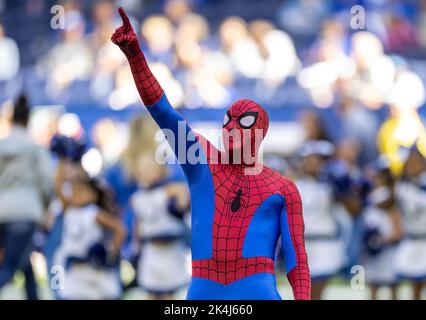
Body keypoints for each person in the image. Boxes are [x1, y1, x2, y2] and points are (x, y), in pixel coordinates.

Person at [112, 7, 310, 300]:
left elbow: (297, 260)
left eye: (243, 122)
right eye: (227, 119)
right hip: (205, 287)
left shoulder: (283, 188)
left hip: (255, 289)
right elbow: (163, 111)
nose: (231, 126)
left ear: (260, 133)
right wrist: (134, 56)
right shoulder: (202, 160)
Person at [0, 95, 53, 300]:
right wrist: (45, 206)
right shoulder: (34, 148)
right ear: (28, 120)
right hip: (26, 212)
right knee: (9, 269)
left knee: (25, 264)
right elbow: (46, 183)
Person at [50, 157, 126, 300]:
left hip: (94, 266)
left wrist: (111, 252)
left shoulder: (94, 213)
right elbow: (58, 186)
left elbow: (120, 229)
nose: (77, 194)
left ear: (93, 194)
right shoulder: (69, 209)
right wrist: (61, 159)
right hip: (75, 268)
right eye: (74, 191)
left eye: (82, 191)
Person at [131, 152, 190, 299]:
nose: (144, 173)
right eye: (141, 169)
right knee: (150, 293)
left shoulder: (172, 190)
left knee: (172, 294)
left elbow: (184, 203)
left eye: (149, 168)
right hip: (150, 251)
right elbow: (138, 225)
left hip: (172, 250)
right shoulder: (137, 198)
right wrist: (136, 248)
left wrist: (179, 200)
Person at [295, 141, 345, 300]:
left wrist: (342, 186)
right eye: (310, 159)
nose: (314, 164)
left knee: (317, 292)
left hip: (325, 244)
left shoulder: (330, 185)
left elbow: (352, 209)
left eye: (319, 160)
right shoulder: (293, 184)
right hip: (303, 245)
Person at [394, 148, 426, 299]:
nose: (413, 166)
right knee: (415, 285)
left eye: (417, 162)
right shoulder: (402, 187)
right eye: (410, 163)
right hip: (413, 239)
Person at [361, 160, 402, 300]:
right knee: (373, 283)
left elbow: (396, 221)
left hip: (387, 244)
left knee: (392, 282)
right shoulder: (370, 194)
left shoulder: (390, 195)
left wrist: (387, 239)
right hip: (373, 243)